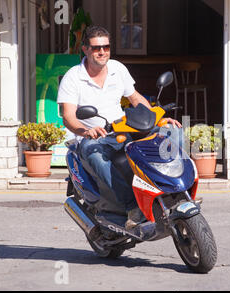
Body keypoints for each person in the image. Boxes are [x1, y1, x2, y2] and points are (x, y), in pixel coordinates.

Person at [57, 25, 182, 230]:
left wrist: (157, 118)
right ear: (85, 49)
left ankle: (174, 190)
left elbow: (134, 98)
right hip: (94, 138)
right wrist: (85, 131)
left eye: (106, 47)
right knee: (93, 152)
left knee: (172, 131)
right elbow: (68, 117)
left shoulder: (117, 68)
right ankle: (132, 207)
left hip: (124, 129)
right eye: (97, 48)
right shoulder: (73, 77)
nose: (102, 52)